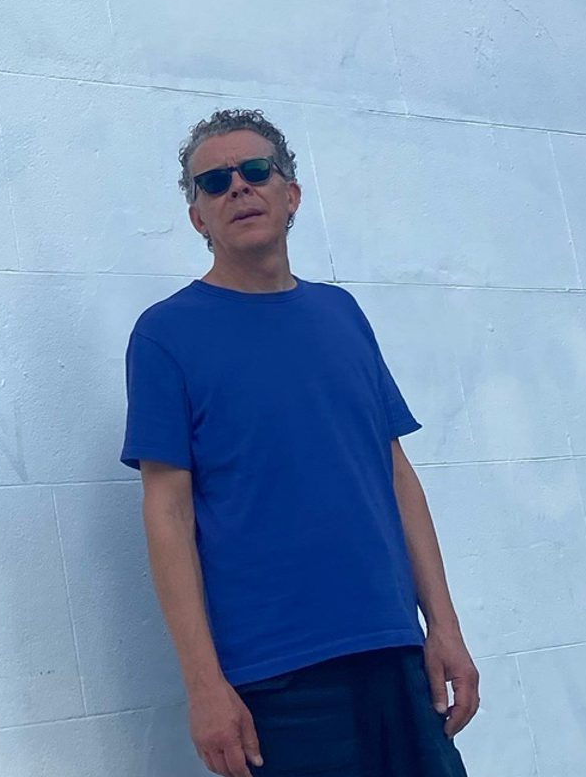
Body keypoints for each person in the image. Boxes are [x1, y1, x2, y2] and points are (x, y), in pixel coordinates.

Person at [120, 108, 480, 777]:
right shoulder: (166, 336)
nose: (238, 187)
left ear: (290, 194)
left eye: (256, 171)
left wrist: (445, 629)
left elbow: (395, 475)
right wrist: (204, 685)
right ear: (198, 217)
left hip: (396, 651)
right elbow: (167, 513)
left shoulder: (342, 314)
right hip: (277, 680)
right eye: (214, 181)